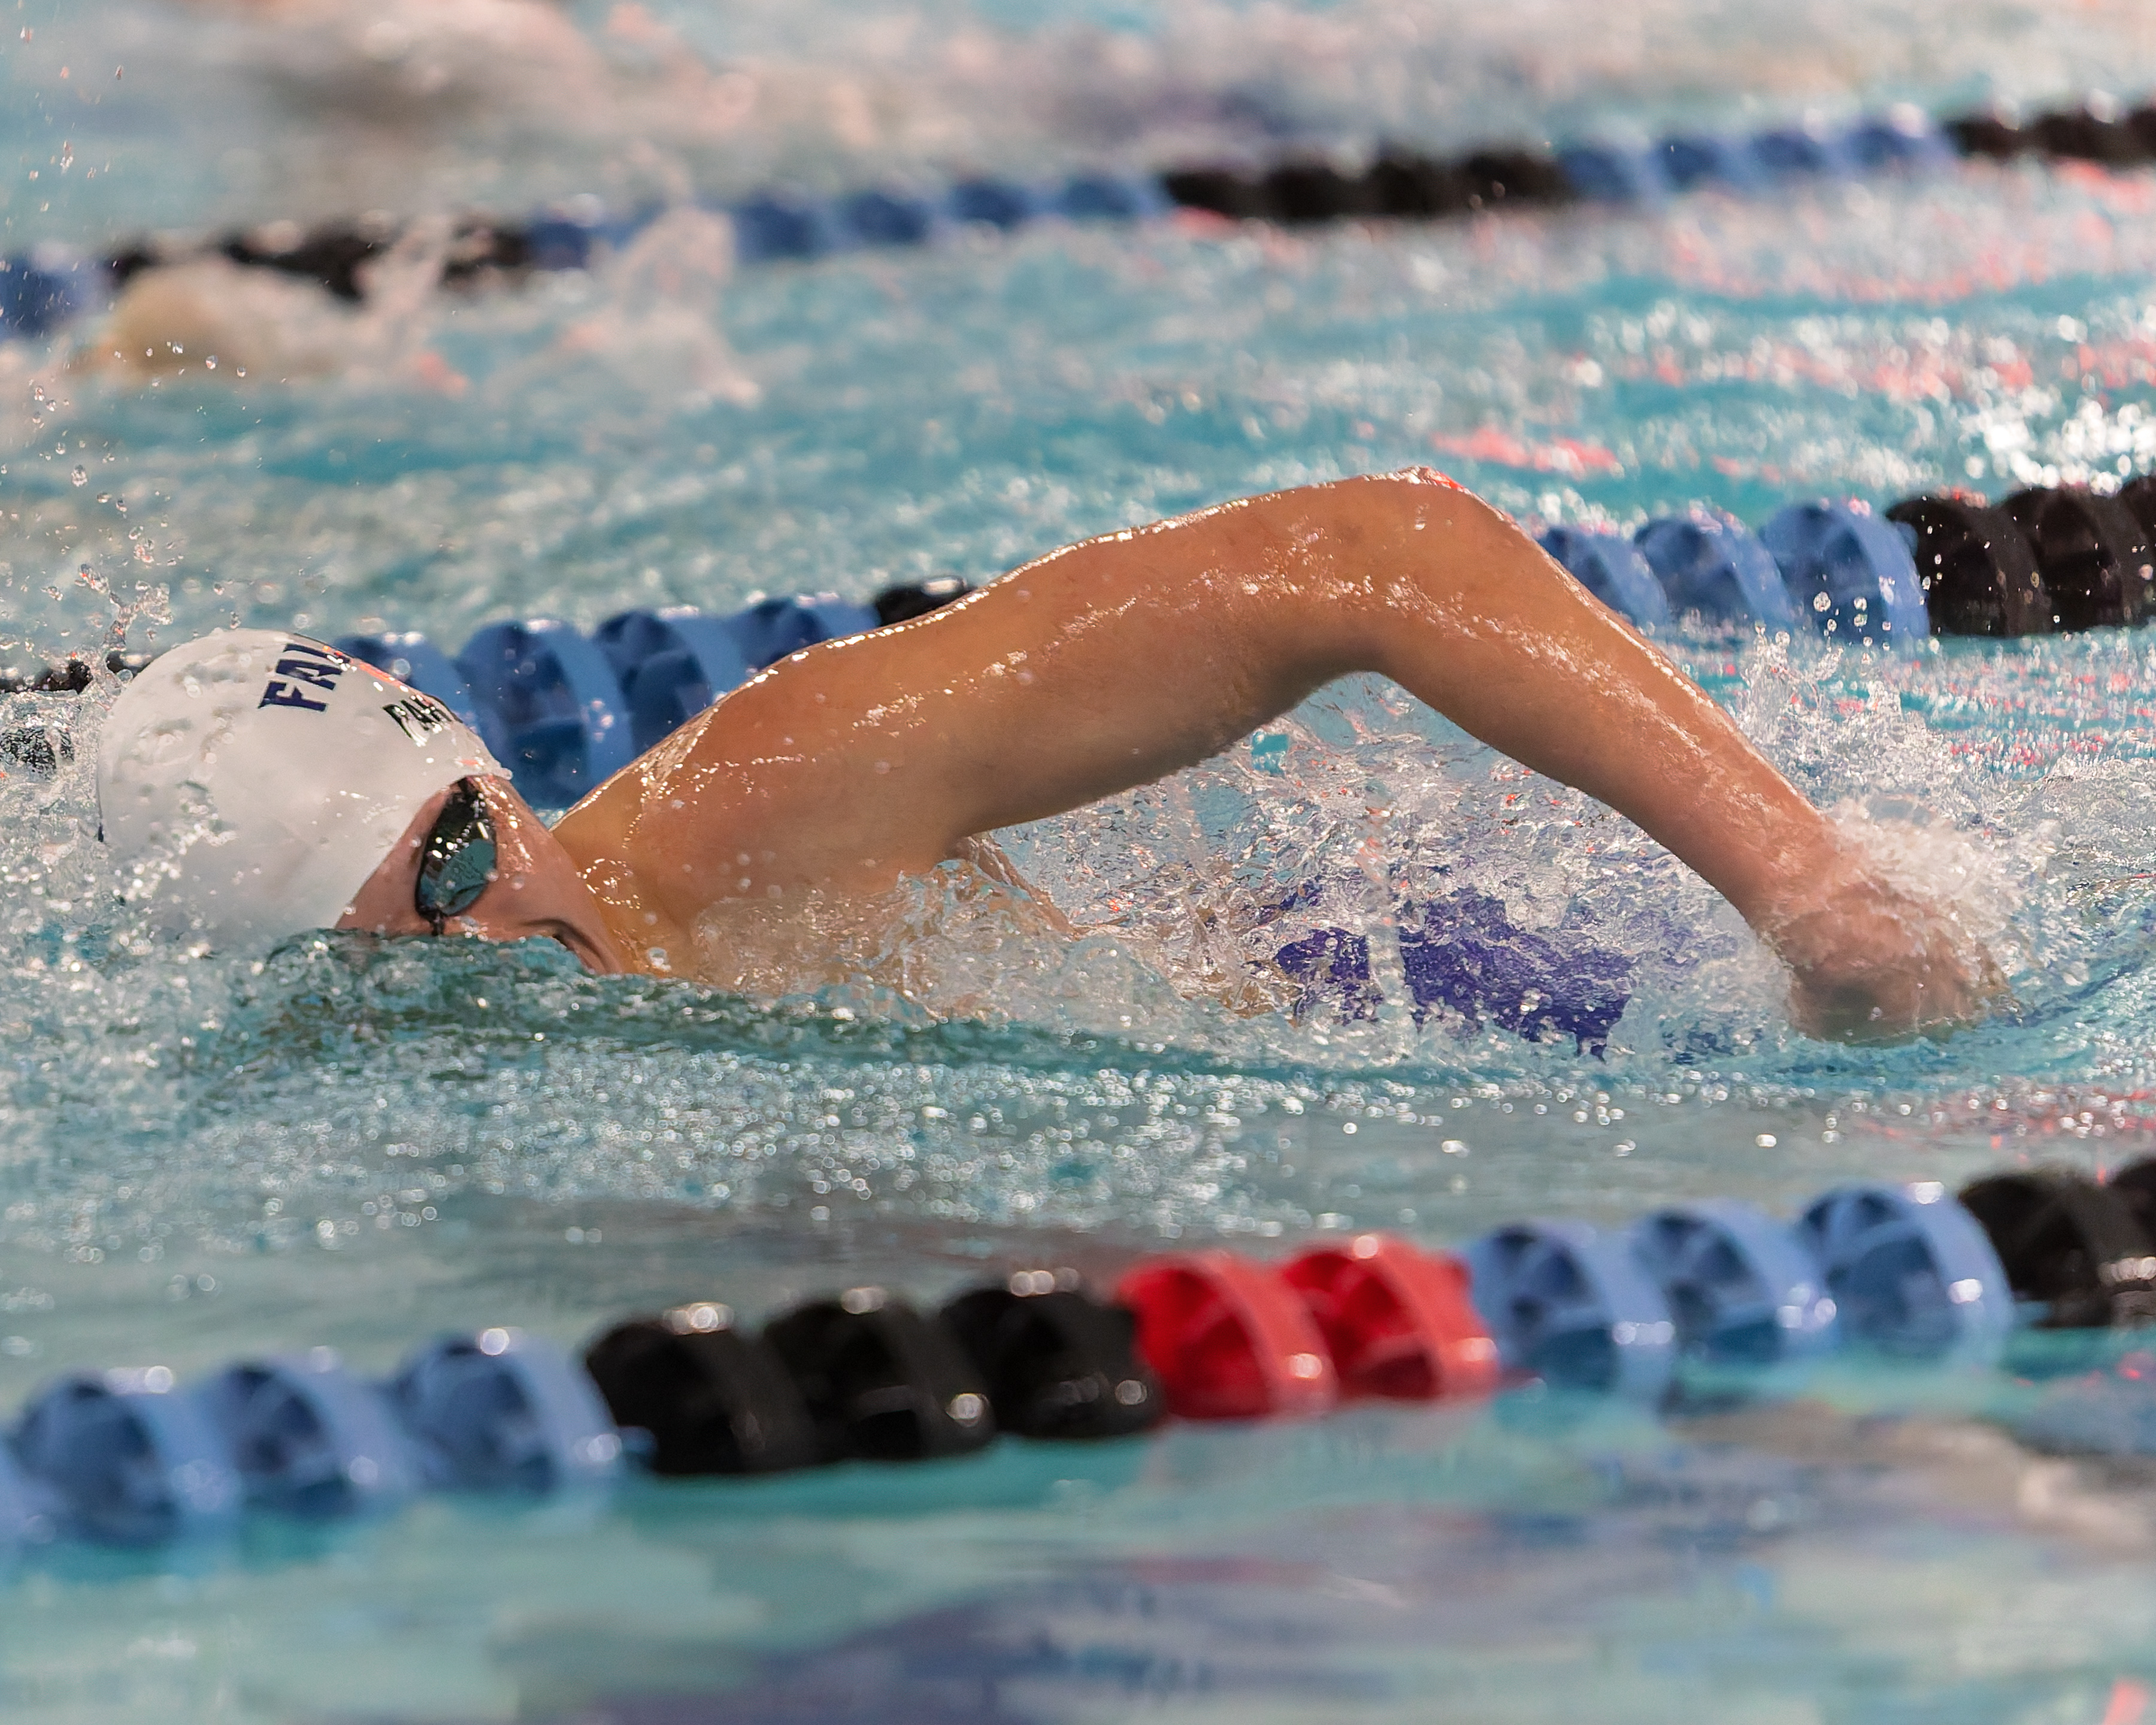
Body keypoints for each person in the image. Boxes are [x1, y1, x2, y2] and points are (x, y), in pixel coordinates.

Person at [96, 468, 1998, 1039]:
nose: (485, 944)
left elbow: (1368, 556)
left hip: (1424, 1007)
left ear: (487, 775)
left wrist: (1803, 882)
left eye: (453, 856)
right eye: (377, 971)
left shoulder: (766, 801)